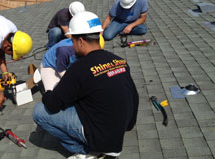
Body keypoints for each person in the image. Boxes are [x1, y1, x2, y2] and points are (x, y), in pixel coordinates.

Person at [33, 11, 139, 159]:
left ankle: (87, 151)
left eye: (73, 41)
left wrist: (47, 91)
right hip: (123, 124)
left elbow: (52, 105)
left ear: (81, 41)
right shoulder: (118, 60)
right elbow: (134, 95)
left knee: (39, 111)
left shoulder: (79, 69)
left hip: (103, 138)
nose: (72, 45)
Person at [39, 36, 104, 91]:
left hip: (69, 65)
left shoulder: (88, 49)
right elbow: (61, 70)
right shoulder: (64, 50)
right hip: (51, 65)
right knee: (55, 91)